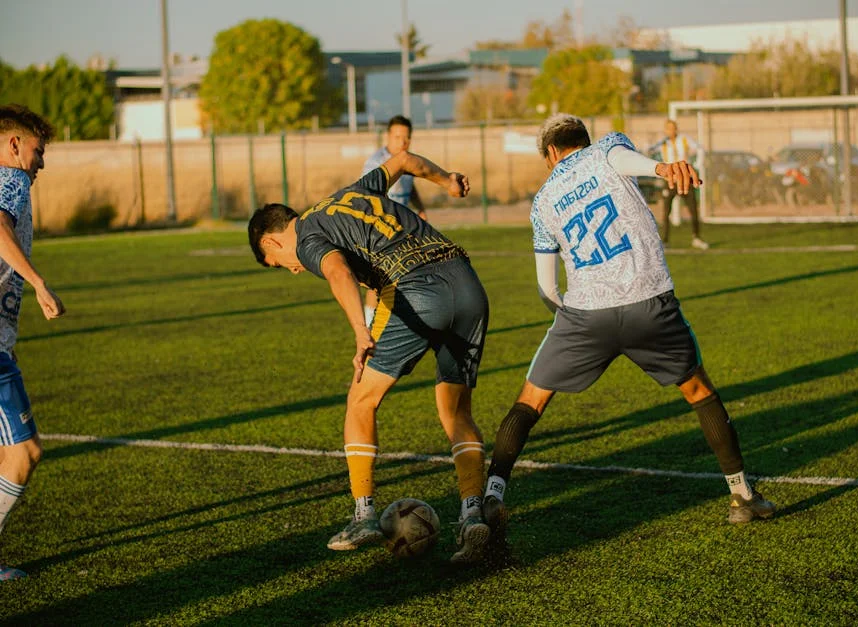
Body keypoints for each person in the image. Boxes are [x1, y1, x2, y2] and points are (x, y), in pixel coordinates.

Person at [481, 114, 775, 538]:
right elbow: (624, 160)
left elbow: (547, 287)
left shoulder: (543, 200)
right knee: (698, 390)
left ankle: (494, 495)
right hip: (648, 302)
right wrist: (661, 168)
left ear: (549, 154)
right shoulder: (606, 148)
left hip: (585, 315)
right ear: (584, 139)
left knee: (530, 401)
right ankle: (742, 496)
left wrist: (572, 324)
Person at [248, 151, 491, 563]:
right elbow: (403, 160)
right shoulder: (354, 191)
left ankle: (363, 514)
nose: (290, 269)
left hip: (415, 288)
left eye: (278, 263)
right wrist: (447, 179)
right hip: (468, 284)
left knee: (360, 400)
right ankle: (472, 516)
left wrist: (361, 331)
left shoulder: (306, 237)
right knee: (455, 410)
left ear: (272, 241)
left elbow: (339, 272)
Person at [0, 105, 66, 581]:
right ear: (14, 145)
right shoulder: (11, 179)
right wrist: (38, 282)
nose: (40, 163)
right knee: (23, 454)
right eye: (38, 152)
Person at [361, 115, 428, 328]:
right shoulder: (377, 163)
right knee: (377, 281)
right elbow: (366, 195)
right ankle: (370, 325)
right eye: (398, 136)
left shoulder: (407, 159)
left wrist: (420, 208)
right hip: (379, 229)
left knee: (403, 275)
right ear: (388, 136)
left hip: (401, 228)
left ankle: (401, 323)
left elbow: (410, 185)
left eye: (407, 137)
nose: (403, 141)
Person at [649, 119, 708, 249]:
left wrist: (697, 165)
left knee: (693, 209)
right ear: (665, 130)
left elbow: (700, 149)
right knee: (666, 211)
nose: (671, 131)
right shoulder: (663, 143)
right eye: (668, 128)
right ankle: (665, 241)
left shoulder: (684, 139)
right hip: (670, 181)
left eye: (673, 128)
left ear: (676, 129)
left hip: (685, 179)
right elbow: (650, 151)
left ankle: (696, 238)